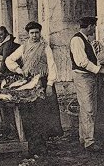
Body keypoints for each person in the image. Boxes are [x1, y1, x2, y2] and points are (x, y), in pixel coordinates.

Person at [5, 21, 63, 154]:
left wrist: (50, 84)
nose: (35, 35)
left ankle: (42, 144)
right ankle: (31, 142)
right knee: (29, 113)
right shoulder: (23, 47)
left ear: (40, 33)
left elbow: (52, 66)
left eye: (37, 32)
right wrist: (19, 70)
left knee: (43, 114)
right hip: (28, 82)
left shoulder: (45, 47)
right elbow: (9, 60)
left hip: (42, 82)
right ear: (28, 34)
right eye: (32, 33)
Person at [70, 17, 104, 152]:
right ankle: (89, 142)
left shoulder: (86, 39)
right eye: (94, 26)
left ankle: (84, 138)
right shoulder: (77, 40)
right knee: (88, 108)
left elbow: (92, 59)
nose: (94, 29)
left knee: (87, 108)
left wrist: (100, 66)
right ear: (89, 26)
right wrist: (99, 70)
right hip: (83, 77)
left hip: (89, 76)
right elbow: (81, 61)